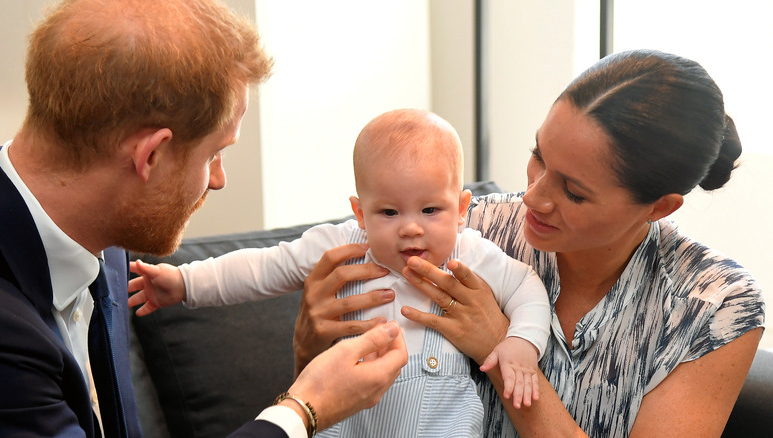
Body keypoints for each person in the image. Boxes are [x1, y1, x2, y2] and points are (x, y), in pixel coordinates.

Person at [292, 49, 766, 437]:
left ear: (659, 207)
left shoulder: (715, 307)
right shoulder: (467, 228)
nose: (534, 198)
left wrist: (500, 348)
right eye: (538, 156)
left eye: (573, 192)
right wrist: (309, 343)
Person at [0, 0, 408, 437]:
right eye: (214, 153)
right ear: (150, 155)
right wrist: (304, 410)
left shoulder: (106, 235)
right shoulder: (4, 335)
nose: (218, 179)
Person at [127, 108, 551, 437]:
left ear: (461, 210)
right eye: (388, 211)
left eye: (430, 209)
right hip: (351, 420)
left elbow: (527, 289)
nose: (410, 227)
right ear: (359, 212)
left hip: (445, 424)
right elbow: (263, 266)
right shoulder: (342, 245)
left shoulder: (470, 253)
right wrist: (184, 283)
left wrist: (520, 345)